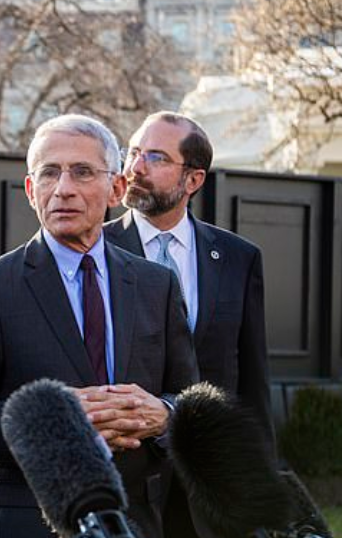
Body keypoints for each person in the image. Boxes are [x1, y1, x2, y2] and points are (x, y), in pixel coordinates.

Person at [0, 114, 198, 538]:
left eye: (83, 172)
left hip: (137, 519)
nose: (64, 188)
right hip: (29, 521)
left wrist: (164, 414)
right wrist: (54, 421)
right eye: (49, 173)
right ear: (31, 190)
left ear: (117, 189)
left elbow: (189, 398)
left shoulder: (157, 284)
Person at [104, 111, 274, 538]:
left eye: (156, 157)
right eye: (133, 152)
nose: (135, 167)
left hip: (208, 481)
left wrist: (259, 486)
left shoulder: (238, 258)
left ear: (193, 180)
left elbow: (252, 382)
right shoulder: (95, 250)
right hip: (126, 483)